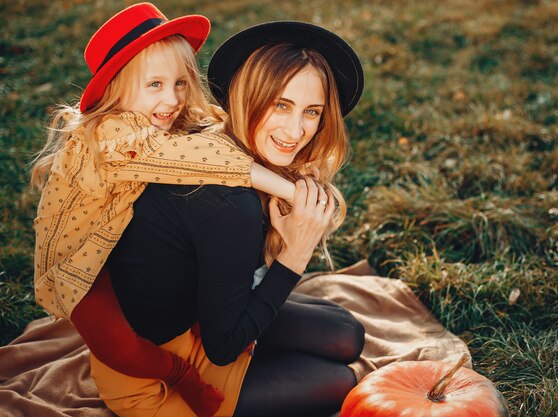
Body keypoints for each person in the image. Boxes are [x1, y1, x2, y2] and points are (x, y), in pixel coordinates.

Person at [88, 21, 366, 417]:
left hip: (200, 318)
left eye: (312, 112)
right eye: (281, 105)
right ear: (246, 97)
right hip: (158, 377)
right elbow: (223, 349)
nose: (296, 130)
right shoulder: (229, 205)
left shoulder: (212, 141)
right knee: (343, 381)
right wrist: (295, 254)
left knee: (347, 334)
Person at [30, 3, 295, 416]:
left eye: (180, 83)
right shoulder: (108, 138)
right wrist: (184, 380)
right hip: (144, 371)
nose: (172, 99)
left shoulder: (153, 122)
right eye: (154, 84)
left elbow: (205, 136)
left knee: (339, 344)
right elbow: (197, 157)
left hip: (188, 331)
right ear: (116, 90)